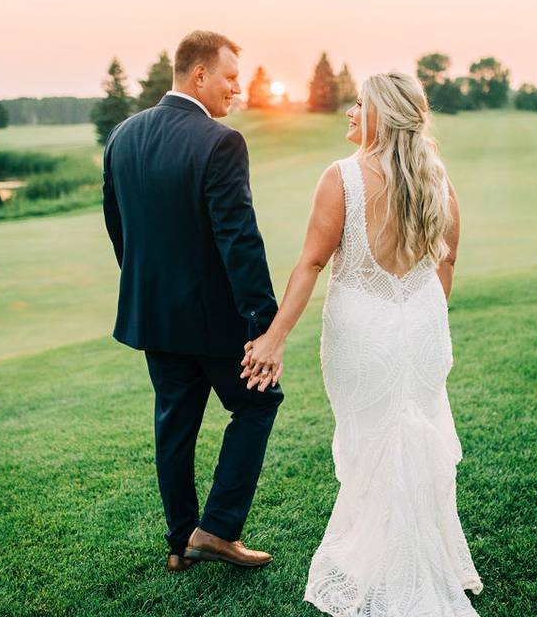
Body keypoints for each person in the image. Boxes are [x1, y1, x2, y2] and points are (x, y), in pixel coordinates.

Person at [241, 71, 483, 615]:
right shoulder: (437, 179)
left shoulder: (342, 177)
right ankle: (421, 551)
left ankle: (386, 566)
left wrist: (273, 338)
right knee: (413, 435)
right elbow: (446, 265)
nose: (349, 112)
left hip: (363, 334)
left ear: (384, 115)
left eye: (359, 104)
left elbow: (310, 263)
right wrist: (424, 316)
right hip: (422, 328)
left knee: (372, 440)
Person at [101, 30, 282, 573]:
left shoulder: (122, 137)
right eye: (230, 78)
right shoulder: (220, 141)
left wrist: (148, 292)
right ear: (198, 75)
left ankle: (180, 542)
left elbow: (118, 230)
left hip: (153, 317)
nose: (238, 90)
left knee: (175, 424)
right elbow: (239, 239)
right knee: (257, 403)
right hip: (215, 321)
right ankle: (219, 529)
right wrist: (264, 324)